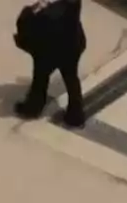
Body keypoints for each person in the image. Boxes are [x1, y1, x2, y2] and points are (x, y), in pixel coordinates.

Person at [14, 0, 86, 128]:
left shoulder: (53, 10)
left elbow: (34, 15)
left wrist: (30, 11)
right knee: (71, 78)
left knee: (40, 77)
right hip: (72, 43)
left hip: (51, 46)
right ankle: (76, 115)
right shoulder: (72, 4)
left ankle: (33, 107)